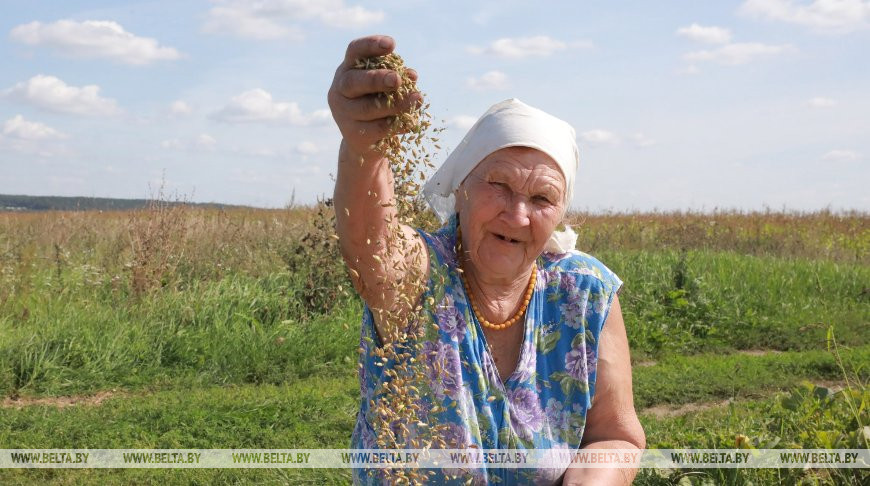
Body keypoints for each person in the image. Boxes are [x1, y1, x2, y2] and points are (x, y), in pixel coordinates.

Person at [329, 35, 645, 485]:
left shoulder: (583, 292)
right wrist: (365, 149)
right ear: (461, 188)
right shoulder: (423, 276)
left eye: (541, 197)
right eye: (498, 185)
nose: (517, 215)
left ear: (559, 214)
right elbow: (371, 246)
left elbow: (615, 437)